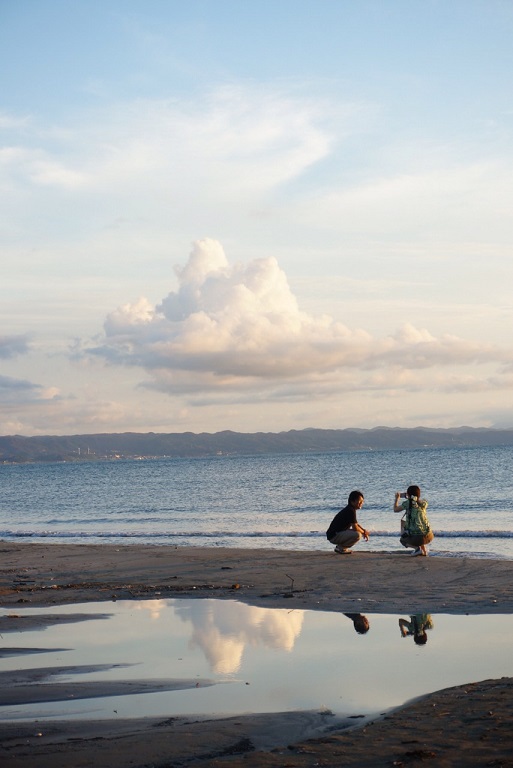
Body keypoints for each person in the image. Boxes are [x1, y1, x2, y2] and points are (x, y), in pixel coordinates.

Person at [394, 484, 434, 557]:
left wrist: (397, 498)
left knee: (402, 540)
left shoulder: (407, 503)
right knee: (420, 529)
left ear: (408, 494)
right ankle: (424, 552)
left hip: (418, 538)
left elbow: (395, 509)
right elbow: (416, 502)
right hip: (429, 536)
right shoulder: (424, 503)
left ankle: (417, 549)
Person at [326, 490, 370, 554]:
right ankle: (341, 548)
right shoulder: (350, 510)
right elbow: (355, 527)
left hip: (335, 534)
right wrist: (364, 533)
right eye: (360, 501)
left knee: (357, 532)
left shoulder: (350, 509)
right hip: (334, 536)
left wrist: (364, 530)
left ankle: (340, 548)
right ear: (352, 501)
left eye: (362, 502)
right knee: (357, 535)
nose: (361, 503)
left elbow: (356, 524)